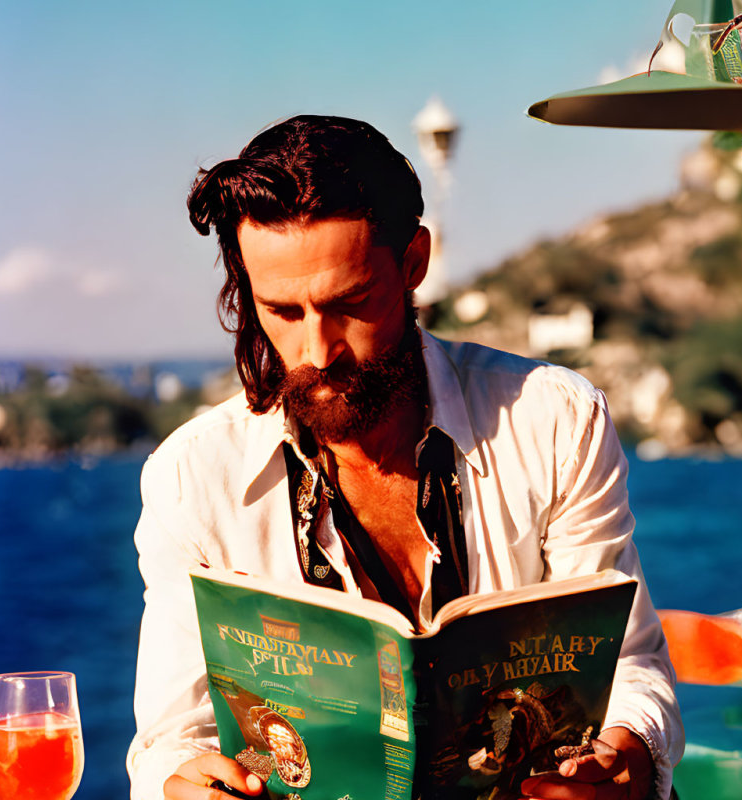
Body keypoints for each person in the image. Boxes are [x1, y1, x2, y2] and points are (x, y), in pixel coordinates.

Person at [127, 115, 683, 800]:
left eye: (350, 304)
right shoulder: (191, 479)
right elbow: (169, 740)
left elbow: (629, 666)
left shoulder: (555, 420)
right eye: (281, 312)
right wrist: (178, 784)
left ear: (414, 263)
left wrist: (627, 755)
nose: (316, 352)